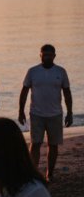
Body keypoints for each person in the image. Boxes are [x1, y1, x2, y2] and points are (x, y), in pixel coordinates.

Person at [18, 43, 73, 182]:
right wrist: (21, 111)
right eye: (44, 54)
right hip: (36, 114)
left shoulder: (61, 72)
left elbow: (67, 93)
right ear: (40, 55)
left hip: (55, 114)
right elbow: (24, 91)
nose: (47, 57)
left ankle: (50, 174)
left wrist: (70, 112)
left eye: (50, 55)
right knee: (35, 143)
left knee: (53, 145)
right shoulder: (33, 71)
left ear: (54, 56)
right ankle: (34, 173)